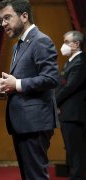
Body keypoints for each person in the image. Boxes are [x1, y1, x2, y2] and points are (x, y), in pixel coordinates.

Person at [0, 0, 59, 179]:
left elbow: (51, 78)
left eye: (7, 17)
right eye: (1, 20)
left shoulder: (41, 41)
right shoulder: (18, 45)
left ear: (24, 16)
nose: (4, 24)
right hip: (23, 123)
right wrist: (9, 85)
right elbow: (23, 79)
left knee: (35, 176)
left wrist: (17, 84)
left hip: (35, 122)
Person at [55, 30, 86, 179]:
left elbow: (69, 88)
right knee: (71, 150)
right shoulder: (70, 61)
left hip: (74, 114)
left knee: (76, 152)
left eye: (67, 42)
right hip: (67, 113)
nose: (63, 45)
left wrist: (54, 102)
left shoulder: (80, 62)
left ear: (76, 44)